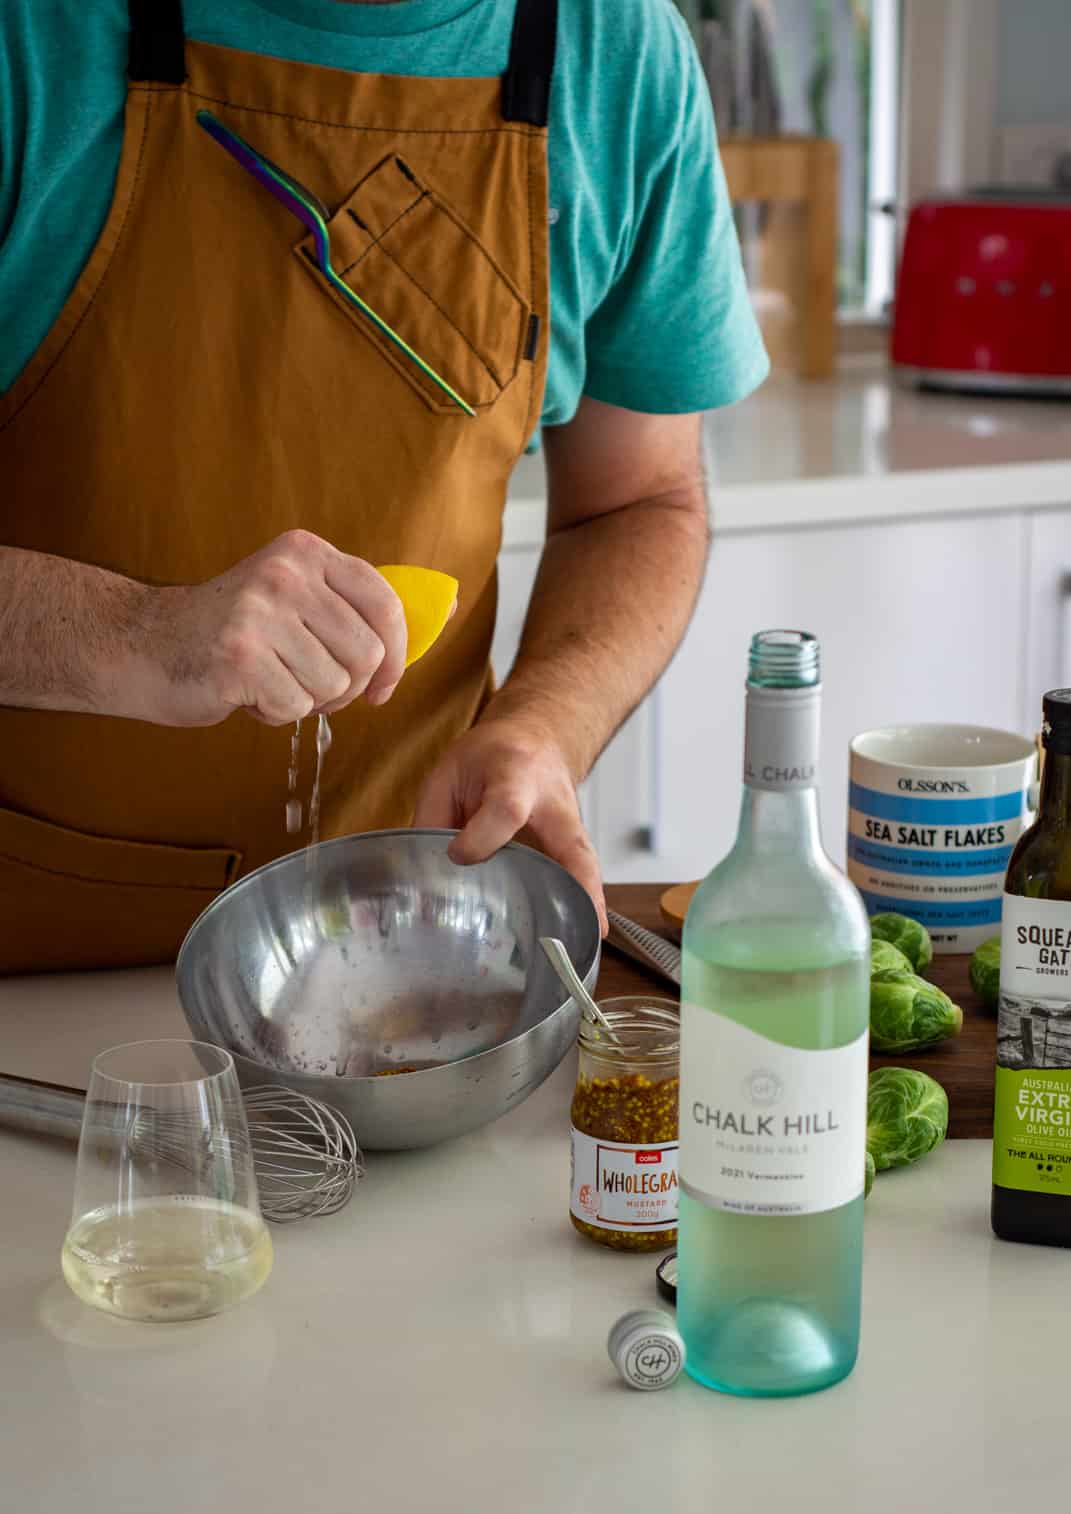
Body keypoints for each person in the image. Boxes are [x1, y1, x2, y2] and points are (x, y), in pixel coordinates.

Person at [0, 0, 767, 975]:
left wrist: (543, 729)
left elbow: (640, 502)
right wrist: (136, 633)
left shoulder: (613, 48)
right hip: (30, 965)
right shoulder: (29, 34)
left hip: (405, 960)